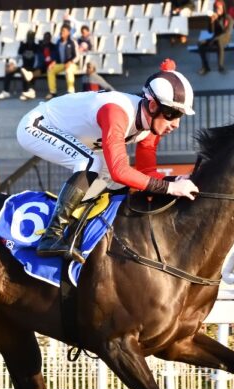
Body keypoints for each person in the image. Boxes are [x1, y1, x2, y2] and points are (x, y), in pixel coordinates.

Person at [16, 59, 198, 261]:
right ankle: (51, 236)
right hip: (37, 125)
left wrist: (176, 181)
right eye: (173, 114)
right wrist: (170, 188)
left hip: (81, 139)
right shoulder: (116, 111)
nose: (176, 124)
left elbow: (147, 174)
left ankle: (75, 235)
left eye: (181, 115)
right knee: (91, 163)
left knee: (111, 182)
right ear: (153, 105)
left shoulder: (151, 128)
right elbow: (119, 169)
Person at [197, 0, 233, 75]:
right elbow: (210, 31)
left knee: (219, 41)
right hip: (215, 37)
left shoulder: (228, 18)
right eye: (216, 8)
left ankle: (220, 66)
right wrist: (212, 22)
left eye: (219, 8)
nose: (218, 10)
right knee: (201, 44)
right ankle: (205, 66)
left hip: (225, 37)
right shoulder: (213, 17)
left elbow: (225, 31)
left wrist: (217, 20)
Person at [46, 25, 79, 99]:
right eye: (61, 30)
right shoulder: (58, 42)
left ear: (68, 32)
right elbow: (55, 55)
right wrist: (53, 62)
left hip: (72, 64)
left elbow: (77, 56)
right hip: (62, 64)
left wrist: (70, 62)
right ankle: (53, 92)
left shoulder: (73, 42)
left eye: (63, 31)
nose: (62, 32)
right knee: (50, 69)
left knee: (68, 70)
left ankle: (71, 91)